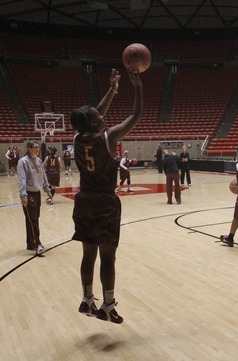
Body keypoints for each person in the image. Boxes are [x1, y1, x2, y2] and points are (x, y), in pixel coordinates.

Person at [70, 68, 143, 324]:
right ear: (93, 122)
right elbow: (136, 115)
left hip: (83, 202)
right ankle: (108, 305)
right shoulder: (109, 138)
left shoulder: (78, 138)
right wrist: (138, 88)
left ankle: (87, 298)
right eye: (97, 115)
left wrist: (112, 90)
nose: (101, 115)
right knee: (107, 257)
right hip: (104, 203)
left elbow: (94, 115)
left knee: (87, 254)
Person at [17, 141, 52, 255]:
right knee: (33, 220)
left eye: (38, 148)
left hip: (37, 193)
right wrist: (23, 195)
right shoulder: (23, 162)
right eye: (35, 148)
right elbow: (21, 179)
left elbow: (43, 176)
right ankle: (38, 244)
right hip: (28, 193)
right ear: (28, 148)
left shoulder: (38, 161)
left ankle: (30, 243)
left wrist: (47, 189)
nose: (37, 150)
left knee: (33, 219)